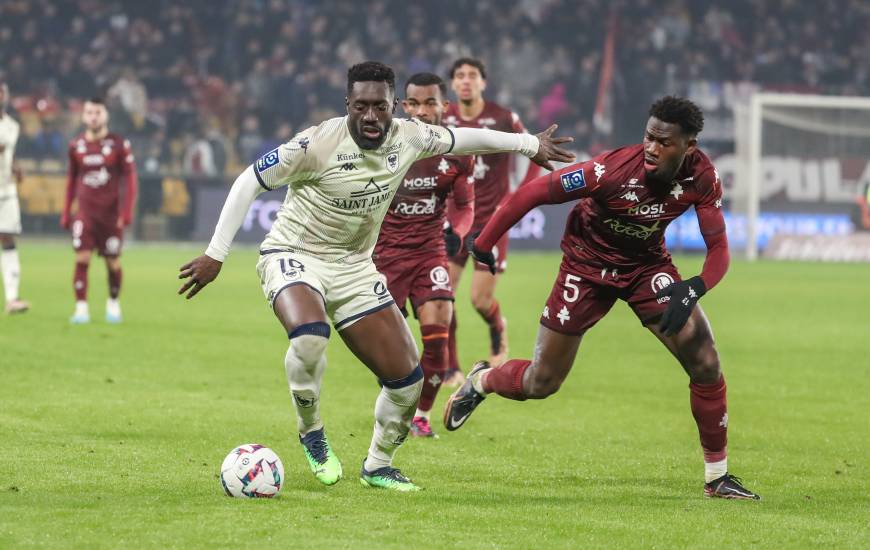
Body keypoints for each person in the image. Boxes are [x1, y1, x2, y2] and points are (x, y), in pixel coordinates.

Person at [177, 62, 573, 492]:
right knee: (309, 335)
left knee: (408, 382)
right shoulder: (315, 143)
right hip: (293, 254)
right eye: (361, 106)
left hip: (354, 267)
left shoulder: (410, 136)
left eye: (379, 107)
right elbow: (248, 182)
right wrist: (216, 254)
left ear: (392, 107)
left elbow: (467, 138)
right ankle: (311, 430)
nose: (370, 116)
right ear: (348, 104)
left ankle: (378, 465)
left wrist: (528, 143)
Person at [445, 96, 760, 500]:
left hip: (646, 267)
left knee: (705, 359)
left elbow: (719, 250)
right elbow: (536, 193)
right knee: (542, 382)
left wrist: (693, 287)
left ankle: (717, 478)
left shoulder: (702, 176)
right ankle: (483, 380)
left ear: (689, 147)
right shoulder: (609, 170)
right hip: (585, 267)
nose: (652, 147)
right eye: (649, 137)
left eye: (664, 142)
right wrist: (485, 240)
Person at [372, 72, 475, 439]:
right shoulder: (382, 145)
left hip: (429, 253)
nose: (422, 110)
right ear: (403, 106)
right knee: (391, 350)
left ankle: (422, 415)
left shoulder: (459, 150)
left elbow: (464, 207)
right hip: (383, 257)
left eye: (430, 102)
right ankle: (394, 404)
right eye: (414, 102)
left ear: (444, 106)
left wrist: (457, 233)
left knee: (438, 338)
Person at [442, 57, 541, 387]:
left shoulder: (503, 118)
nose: (466, 81)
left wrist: (521, 194)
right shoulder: (445, 118)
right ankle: (451, 367)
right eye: (460, 76)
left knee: (479, 300)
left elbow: (535, 151)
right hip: (455, 220)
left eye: (472, 75)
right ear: (454, 85)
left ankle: (497, 328)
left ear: (483, 82)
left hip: (492, 222)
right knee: (443, 296)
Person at [61, 98, 138, 324]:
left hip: (110, 216)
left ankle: (113, 304)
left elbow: (130, 180)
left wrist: (126, 212)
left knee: (113, 262)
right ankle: (81, 308)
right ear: (84, 116)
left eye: (98, 112)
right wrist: (66, 211)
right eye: (89, 112)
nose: (93, 116)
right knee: (81, 258)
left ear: (106, 115)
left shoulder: (118, 145)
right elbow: (71, 180)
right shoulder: (76, 145)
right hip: (85, 215)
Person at [0, 82, 29, 314]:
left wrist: (16, 168)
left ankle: (12, 298)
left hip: (7, 192)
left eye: (2, 92)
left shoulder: (12, 126)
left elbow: (10, 154)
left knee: (8, 240)